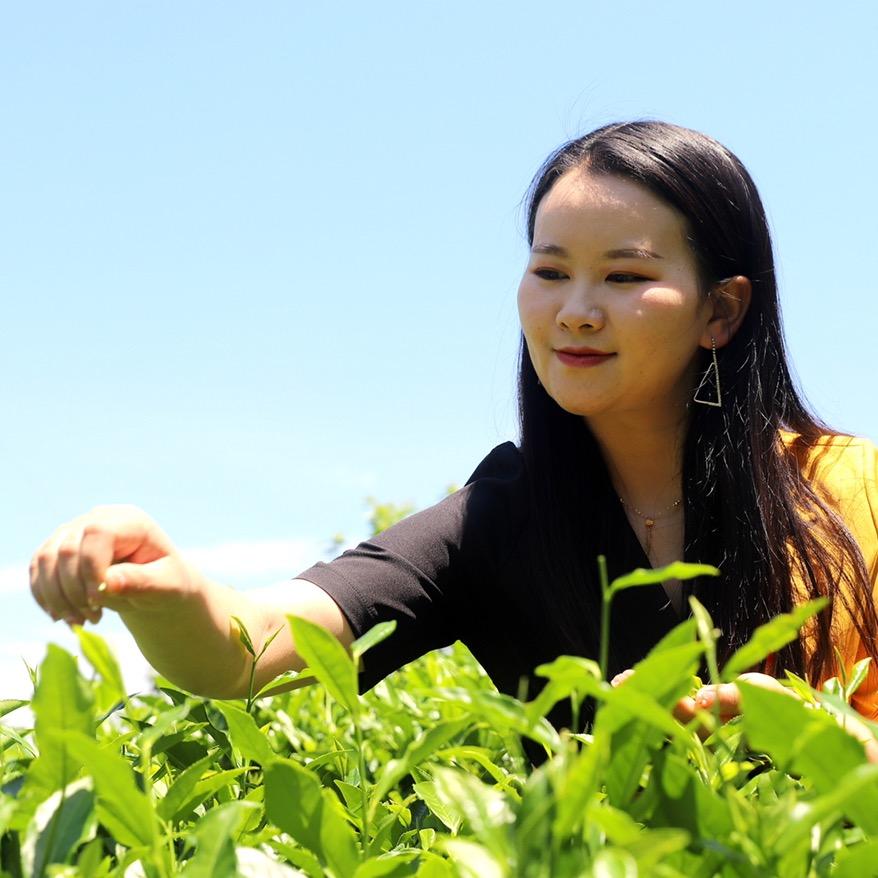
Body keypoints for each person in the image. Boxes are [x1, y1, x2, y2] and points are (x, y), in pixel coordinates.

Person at [29, 121, 878, 760]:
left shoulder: (852, 492)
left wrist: (819, 738)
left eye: (625, 276)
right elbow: (250, 651)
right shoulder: (497, 519)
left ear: (721, 311)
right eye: (550, 271)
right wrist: (166, 588)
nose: (574, 308)